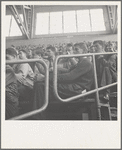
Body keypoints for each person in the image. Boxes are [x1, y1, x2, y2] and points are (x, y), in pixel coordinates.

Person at [33, 42, 94, 119]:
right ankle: (40, 113)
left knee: (41, 85)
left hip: (78, 89)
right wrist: (50, 74)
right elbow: (69, 71)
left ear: (84, 51)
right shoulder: (81, 62)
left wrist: (45, 78)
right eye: (74, 49)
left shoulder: (86, 62)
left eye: (76, 49)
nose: (74, 52)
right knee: (42, 83)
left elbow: (70, 76)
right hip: (75, 87)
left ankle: (38, 117)